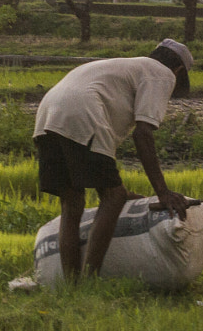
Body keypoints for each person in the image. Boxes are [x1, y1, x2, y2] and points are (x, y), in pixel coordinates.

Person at [33, 39, 194, 281]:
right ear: (178, 70)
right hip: (82, 111)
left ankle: (72, 287)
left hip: (47, 116)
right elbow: (143, 134)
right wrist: (163, 192)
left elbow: (100, 163)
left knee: (72, 201)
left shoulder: (123, 67)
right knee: (113, 196)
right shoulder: (162, 74)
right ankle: (89, 280)